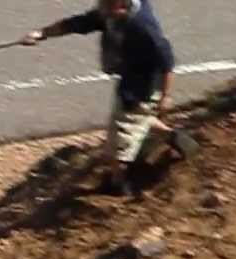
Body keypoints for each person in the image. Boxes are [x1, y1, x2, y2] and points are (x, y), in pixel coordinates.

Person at [23, 0, 196, 198]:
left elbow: (166, 62)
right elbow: (78, 23)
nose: (100, 8)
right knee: (138, 118)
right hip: (132, 80)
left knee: (116, 145)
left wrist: (166, 96)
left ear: (120, 5)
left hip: (141, 89)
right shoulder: (112, 13)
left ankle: (118, 184)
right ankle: (175, 138)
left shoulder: (141, 26)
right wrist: (41, 33)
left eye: (104, 5)